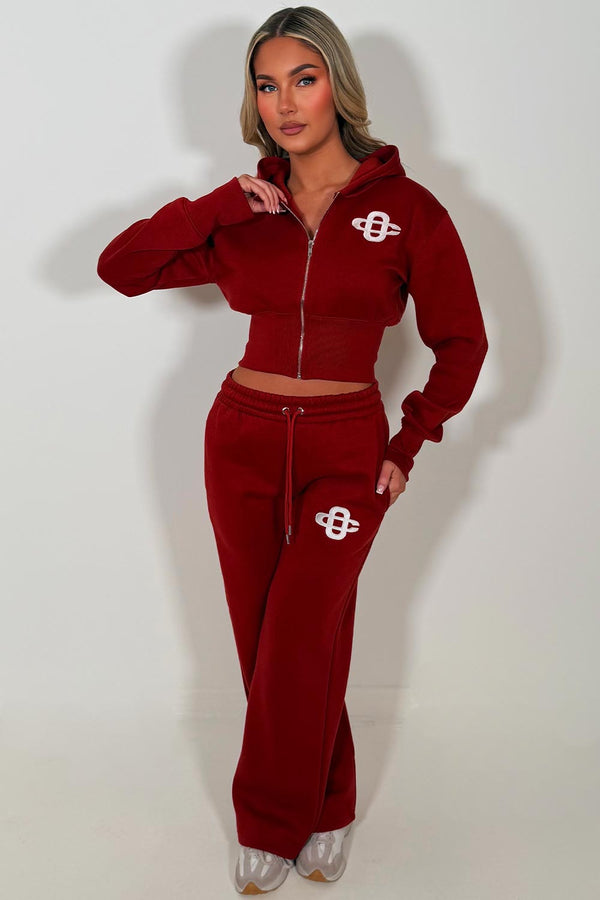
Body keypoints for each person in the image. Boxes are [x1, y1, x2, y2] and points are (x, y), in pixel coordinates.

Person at [96, 5, 488, 894]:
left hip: (347, 448)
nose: (284, 102)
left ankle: (271, 822)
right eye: (266, 85)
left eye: (302, 80)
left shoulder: (408, 211)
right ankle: (333, 803)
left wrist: (409, 440)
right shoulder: (245, 213)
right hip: (240, 436)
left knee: (303, 632)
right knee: (263, 635)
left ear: (337, 86)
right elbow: (122, 268)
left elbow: (462, 342)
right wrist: (215, 205)